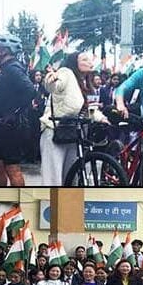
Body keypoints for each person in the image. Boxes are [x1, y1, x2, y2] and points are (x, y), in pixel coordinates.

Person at [40, 52, 109, 186]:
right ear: (74, 62)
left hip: (73, 133)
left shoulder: (87, 83)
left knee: (71, 177)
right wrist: (51, 78)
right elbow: (53, 86)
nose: (89, 62)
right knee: (53, 177)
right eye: (84, 59)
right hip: (54, 130)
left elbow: (90, 109)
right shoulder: (65, 73)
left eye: (89, 60)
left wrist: (102, 118)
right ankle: (50, 205)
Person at [0, 34, 36, 187]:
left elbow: (30, 90)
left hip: (14, 126)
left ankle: (18, 204)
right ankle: (1, 199)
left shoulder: (13, 69)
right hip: (4, 126)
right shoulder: (6, 68)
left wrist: (14, 112)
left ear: (4, 51)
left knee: (11, 167)